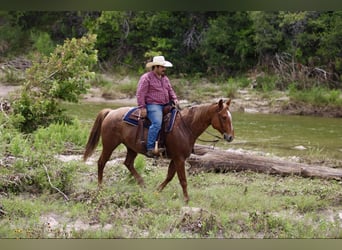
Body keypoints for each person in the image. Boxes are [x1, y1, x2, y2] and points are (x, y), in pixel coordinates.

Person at [136, 56, 179, 157]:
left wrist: (175, 98)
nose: (164, 69)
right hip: (153, 105)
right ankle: (150, 148)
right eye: (162, 67)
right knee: (157, 123)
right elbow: (140, 93)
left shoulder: (165, 78)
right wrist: (142, 107)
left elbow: (170, 90)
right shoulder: (146, 78)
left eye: (164, 67)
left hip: (166, 103)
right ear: (155, 67)